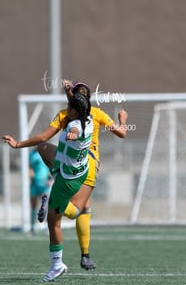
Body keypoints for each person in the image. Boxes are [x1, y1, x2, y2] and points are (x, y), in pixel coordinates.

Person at [37, 80, 128, 270]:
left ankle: (84, 254)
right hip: (88, 164)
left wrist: (67, 92)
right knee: (82, 209)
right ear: (89, 99)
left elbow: (70, 112)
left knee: (44, 149)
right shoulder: (97, 114)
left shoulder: (64, 115)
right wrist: (123, 120)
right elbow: (121, 133)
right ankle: (84, 254)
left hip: (65, 162)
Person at [3, 93, 93, 282]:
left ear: (74, 111)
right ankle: (55, 184)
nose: (66, 109)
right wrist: (69, 92)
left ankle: (57, 265)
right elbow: (74, 116)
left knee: (54, 223)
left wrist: (18, 144)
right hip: (77, 168)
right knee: (43, 148)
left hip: (67, 180)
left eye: (69, 106)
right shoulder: (88, 118)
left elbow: (49, 134)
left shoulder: (74, 126)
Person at [29, 148, 51, 233]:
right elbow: (29, 167)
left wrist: (49, 178)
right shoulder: (31, 155)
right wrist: (31, 177)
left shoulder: (46, 153)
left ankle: (48, 227)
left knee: (45, 205)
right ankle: (33, 227)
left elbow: (50, 165)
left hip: (45, 184)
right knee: (33, 205)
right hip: (34, 183)